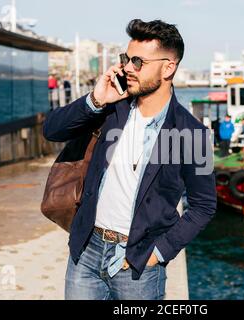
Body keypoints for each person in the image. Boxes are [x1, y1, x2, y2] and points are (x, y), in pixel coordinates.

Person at [43, 19, 216, 300]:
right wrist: (96, 100)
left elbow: (204, 207)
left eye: (138, 62)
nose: (127, 68)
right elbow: (52, 130)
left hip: (138, 266)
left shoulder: (194, 135)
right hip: (85, 252)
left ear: (168, 67)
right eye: (126, 59)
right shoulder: (111, 108)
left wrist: (157, 254)